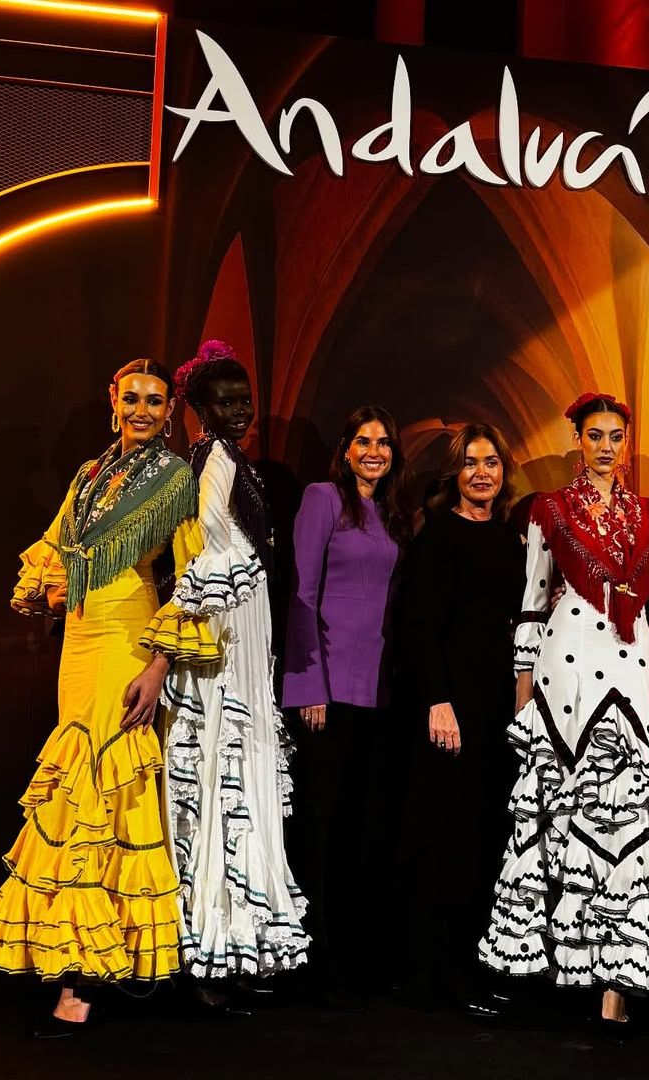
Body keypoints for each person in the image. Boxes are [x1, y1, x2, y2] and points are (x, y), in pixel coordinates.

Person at [0, 359, 217, 1036]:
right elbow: (53, 549)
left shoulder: (173, 479)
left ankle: (84, 982)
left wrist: (160, 662)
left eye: (156, 401)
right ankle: (87, 957)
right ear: (113, 400)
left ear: (171, 411)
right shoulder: (89, 475)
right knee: (73, 785)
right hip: (78, 646)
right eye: (132, 397)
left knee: (109, 787)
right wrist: (50, 586)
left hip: (127, 640)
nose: (142, 409)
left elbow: (193, 575)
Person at [479, 394, 649, 1036]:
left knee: (624, 824)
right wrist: (523, 697)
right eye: (595, 435)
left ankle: (615, 988)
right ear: (578, 440)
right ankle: (550, 974)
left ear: (627, 442)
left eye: (616, 436)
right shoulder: (549, 510)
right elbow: (531, 601)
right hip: (565, 665)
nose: (605, 445)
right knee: (557, 823)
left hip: (630, 665)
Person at [160, 341, 309, 1000]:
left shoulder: (230, 461)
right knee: (225, 772)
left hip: (244, 628)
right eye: (226, 401)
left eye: (245, 399)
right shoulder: (213, 461)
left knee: (238, 771)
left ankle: (234, 944)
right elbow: (213, 551)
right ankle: (215, 948)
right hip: (224, 631)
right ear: (197, 408)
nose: (241, 411)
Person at [282, 405, 409, 1003]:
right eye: (363, 441)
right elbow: (302, 592)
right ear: (346, 448)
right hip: (327, 693)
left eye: (383, 442)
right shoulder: (322, 498)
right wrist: (309, 686)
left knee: (363, 828)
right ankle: (316, 957)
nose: (374, 451)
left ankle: (358, 956)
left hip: (378, 696)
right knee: (322, 827)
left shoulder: (392, 514)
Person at [397, 424, 525, 1013]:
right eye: (471, 463)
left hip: (498, 704)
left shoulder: (509, 541)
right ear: (455, 474)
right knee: (443, 833)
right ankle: (433, 968)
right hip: (450, 708)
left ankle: (470, 961)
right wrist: (437, 700)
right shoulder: (437, 537)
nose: (482, 472)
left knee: (482, 831)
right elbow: (419, 625)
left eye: (491, 462)